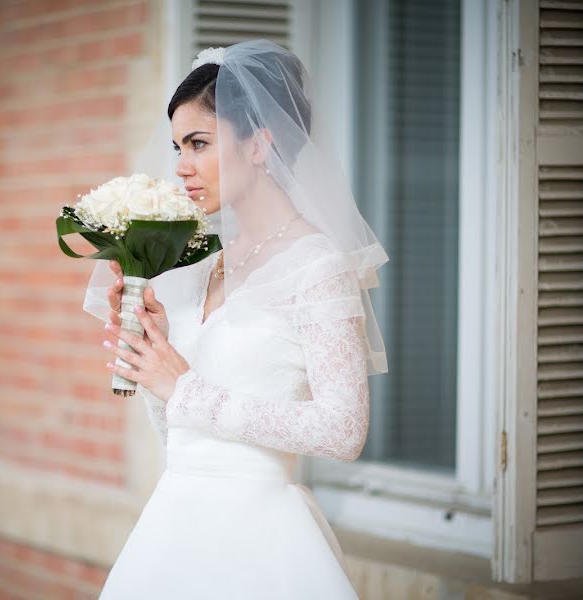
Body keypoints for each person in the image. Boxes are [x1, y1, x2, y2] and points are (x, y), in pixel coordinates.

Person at [86, 39, 389, 599]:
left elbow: (343, 430)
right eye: (178, 146)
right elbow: (178, 427)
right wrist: (155, 352)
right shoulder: (203, 265)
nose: (180, 167)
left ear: (259, 144)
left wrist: (187, 389)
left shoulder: (316, 266)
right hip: (171, 528)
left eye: (199, 143)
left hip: (260, 539)